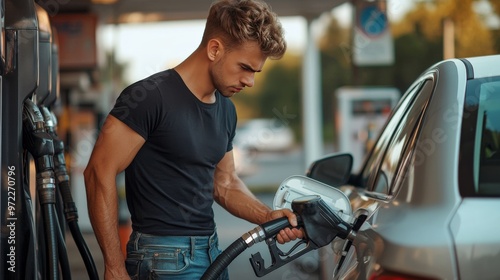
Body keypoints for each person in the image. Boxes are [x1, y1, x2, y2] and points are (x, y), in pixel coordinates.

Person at [84, 0, 304, 279]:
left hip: (212, 251)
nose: (250, 81)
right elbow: (97, 173)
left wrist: (267, 216)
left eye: (255, 72)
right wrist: (114, 267)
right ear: (215, 49)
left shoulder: (226, 108)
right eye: (245, 67)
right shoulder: (149, 97)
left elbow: (224, 183)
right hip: (162, 258)